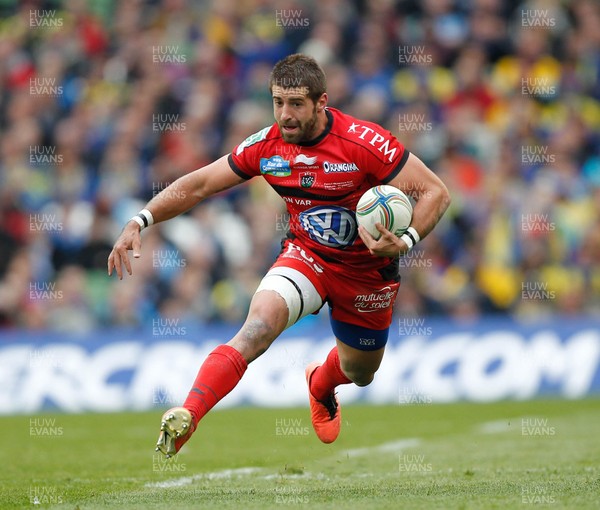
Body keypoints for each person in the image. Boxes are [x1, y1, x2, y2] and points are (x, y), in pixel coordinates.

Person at [108, 54, 450, 457]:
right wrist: (140, 219)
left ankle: (321, 383)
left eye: (296, 104)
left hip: (367, 271)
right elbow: (200, 184)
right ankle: (189, 414)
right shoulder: (266, 147)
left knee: (361, 372)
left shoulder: (364, 143)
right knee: (256, 327)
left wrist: (405, 240)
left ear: (322, 102)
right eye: (278, 102)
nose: (284, 115)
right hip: (307, 257)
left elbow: (436, 193)